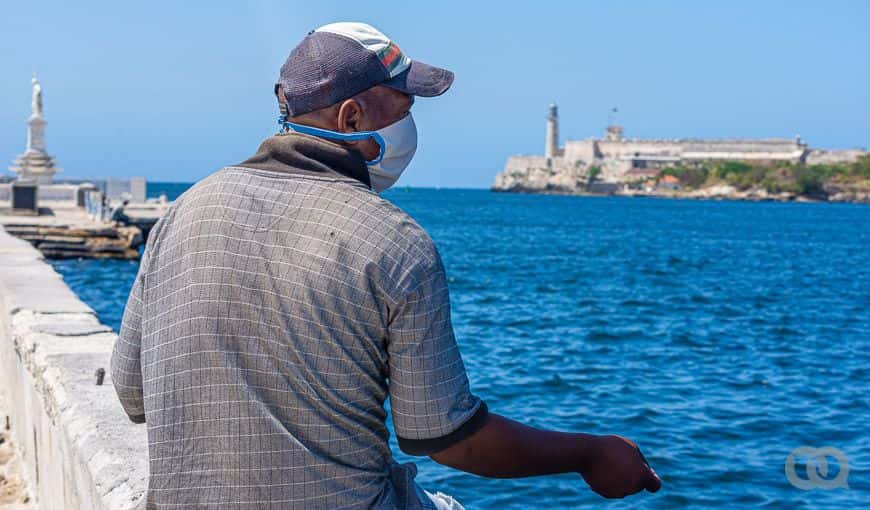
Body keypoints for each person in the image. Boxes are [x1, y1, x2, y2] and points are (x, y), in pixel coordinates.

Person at [110, 22, 660, 509]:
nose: (412, 123)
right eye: (405, 106)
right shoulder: (392, 241)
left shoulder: (184, 211)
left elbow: (131, 392)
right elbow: (447, 438)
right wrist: (591, 454)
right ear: (352, 117)